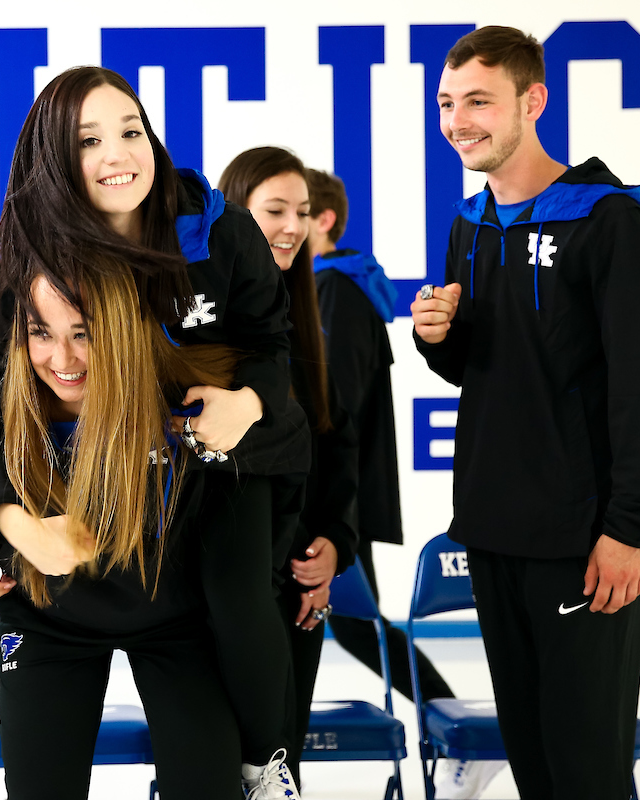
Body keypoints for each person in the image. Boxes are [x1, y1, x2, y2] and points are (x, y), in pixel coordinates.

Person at [0, 66, 308, 800]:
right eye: (89, 140)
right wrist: (16, 526)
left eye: (131, 130)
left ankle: (265, 763)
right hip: (87, 481)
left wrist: (249, 407)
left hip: (205, 459)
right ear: (55, 162)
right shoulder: (40, 257)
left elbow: (273, 345)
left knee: (237, 596)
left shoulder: (220, 231)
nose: (118, 153)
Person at [411, 26, 640, 800]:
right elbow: (483, 372)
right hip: (492, 532)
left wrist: (631, 527)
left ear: (534, 100)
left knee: (586, 770)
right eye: (447, 104)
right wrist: (438, 340)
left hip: (584, 539)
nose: (459, 120)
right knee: (533, 765)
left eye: (479, 102)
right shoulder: (470, 223)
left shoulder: (609, 218)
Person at [0, 265, 249, 799]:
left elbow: (285, 451)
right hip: (49, 623)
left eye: (83, 333)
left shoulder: (185, 400)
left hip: (173, 621)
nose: (63, 358)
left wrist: (252, 404)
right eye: (42, 333)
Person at [304, 168, 502, 799]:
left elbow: (331, 407)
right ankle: (458, 733)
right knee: (350, 624)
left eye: (294, 212)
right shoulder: (336, 287)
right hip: (332, 492)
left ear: (324, 219)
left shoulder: (336, 290)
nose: (278, 228)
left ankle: (458, 733)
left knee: (353, 624)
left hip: (329, 496)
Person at [218, 146, 360, 788]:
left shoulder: (311, 321)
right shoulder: (205, 326)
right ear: (233, 214)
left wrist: (334, 544)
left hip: (296, 594)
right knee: (216, 768)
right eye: (274, 210)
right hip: (222, 595)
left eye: (303, 212)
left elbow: (335, 447)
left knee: (280, 769)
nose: (293, 227)